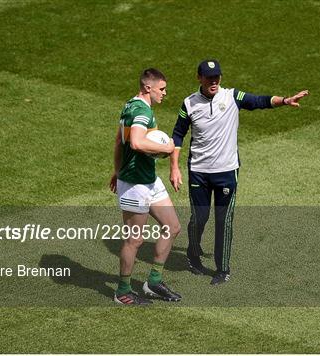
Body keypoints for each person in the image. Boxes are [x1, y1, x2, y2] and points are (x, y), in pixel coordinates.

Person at [170, 59, 309, 285]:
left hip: (226, 172)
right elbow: (178, 135)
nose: (213, 81)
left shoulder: (233, 96)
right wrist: (174, 167)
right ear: (199, 78)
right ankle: (193, 255)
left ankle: (222, 269)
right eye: (208, 77)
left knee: (224, 221)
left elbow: (259, 101)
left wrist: (284, 100)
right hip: (199, 172)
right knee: (199, 218)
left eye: (217, 77)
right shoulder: (189, 103)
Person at [110, 68, 182, 305]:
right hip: (135, 185)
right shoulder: (141, 110)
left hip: (148, 179)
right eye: (162, 89)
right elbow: (137, 142)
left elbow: (119, 142)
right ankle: (122, 291)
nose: (165, 93)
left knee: (172, 227)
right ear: (147, 88)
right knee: (135, 240)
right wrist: (168, 148)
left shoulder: (131, 105)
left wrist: (116, 170)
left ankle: (153, 282)